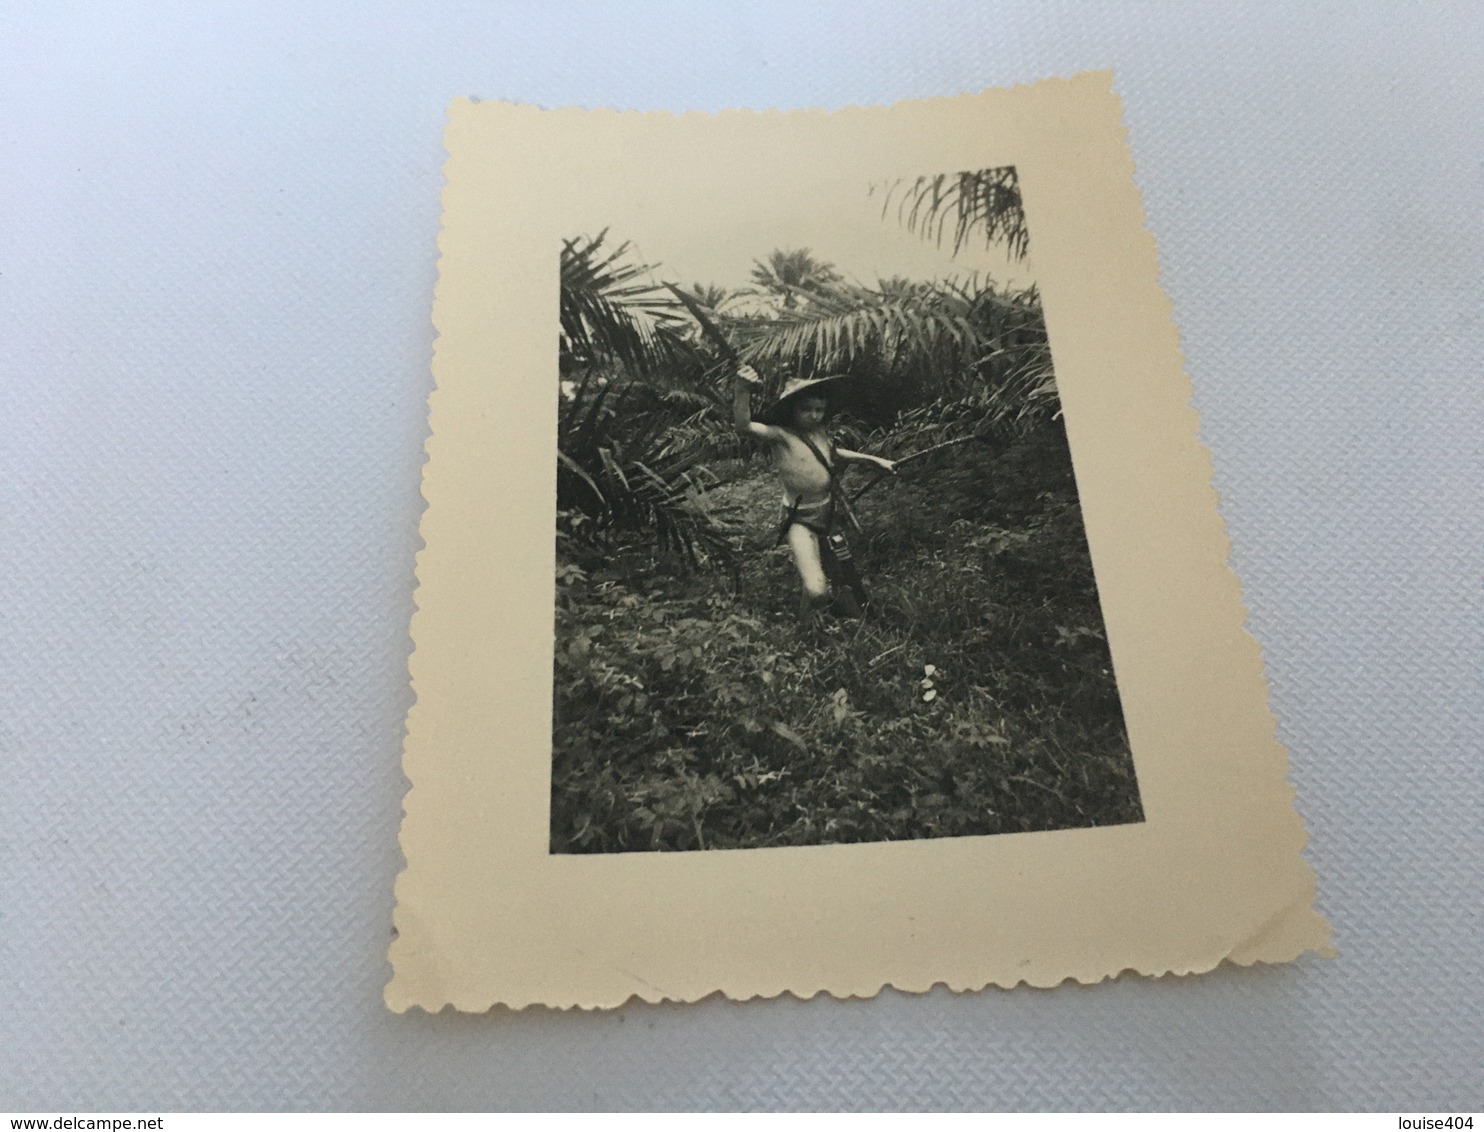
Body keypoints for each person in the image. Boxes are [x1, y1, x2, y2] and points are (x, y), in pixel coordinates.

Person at [732, 363, 896, 620]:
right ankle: (813, 612)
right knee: (817, 590)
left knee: (843, 574)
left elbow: (833, 454)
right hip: (801, 518)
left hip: (829, 513)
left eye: (819, 410)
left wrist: (873, 460)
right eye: (806, 409)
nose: (814, 415)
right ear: (792, 410)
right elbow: (745, 426)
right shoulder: (781, 436)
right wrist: (742, 390)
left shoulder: (820, 432)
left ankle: (814, 626)